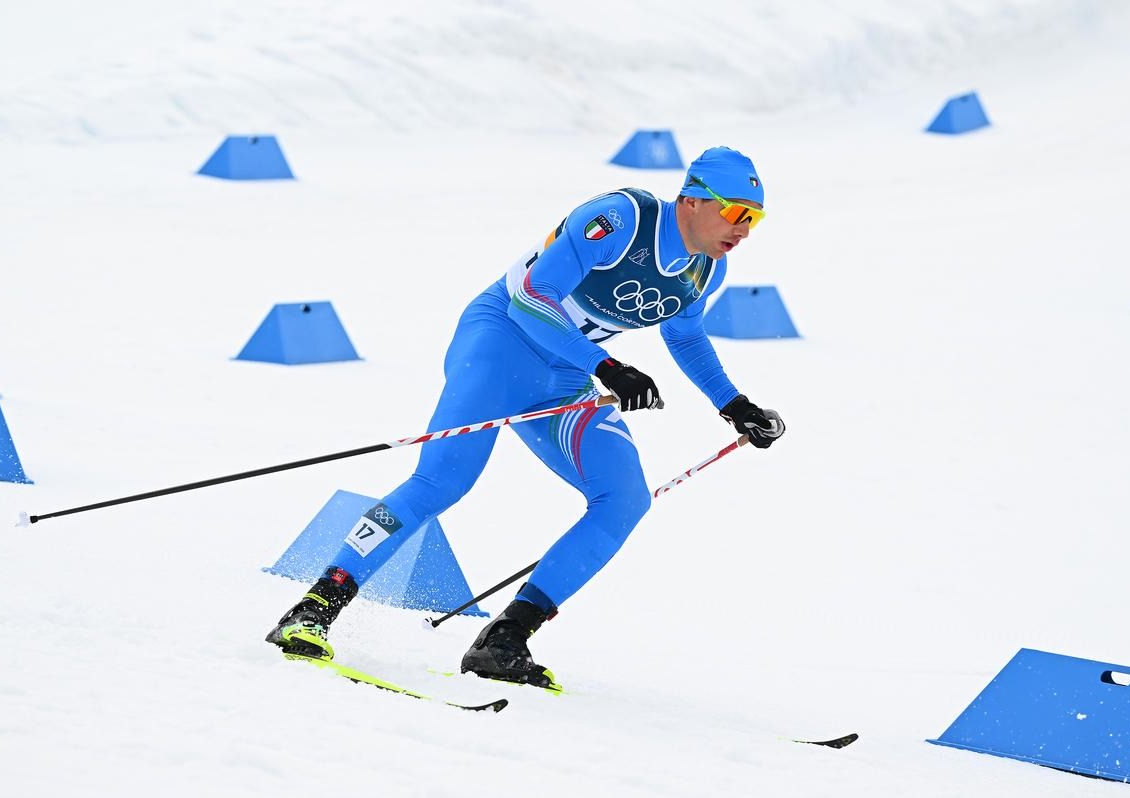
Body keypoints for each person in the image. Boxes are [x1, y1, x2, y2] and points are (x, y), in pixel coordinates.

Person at [265, 146, 785, 690]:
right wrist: (607, 366)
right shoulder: (621, 218)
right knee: (442, 482)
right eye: (735, 212)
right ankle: (315, 607)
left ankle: (505, 639)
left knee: (624, 498)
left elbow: (686, 337)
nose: (743, 229)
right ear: (693, 200)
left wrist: (734, 405)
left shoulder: (707, 270)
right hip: (500, 346)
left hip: (564, 377)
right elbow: (532, 298)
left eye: (755, 218)